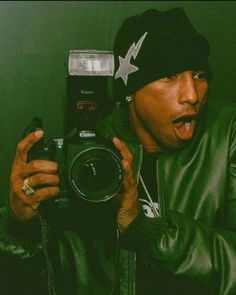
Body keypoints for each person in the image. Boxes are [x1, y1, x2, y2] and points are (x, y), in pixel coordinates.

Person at [0, 6, 236, 295]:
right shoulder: (86, 154)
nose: (192, 95)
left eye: (199, 74)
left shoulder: (227, 136)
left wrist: (145, 230)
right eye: (169, 76)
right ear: (131, 91)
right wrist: (18, 222)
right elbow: (38, 278)